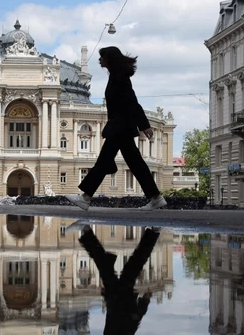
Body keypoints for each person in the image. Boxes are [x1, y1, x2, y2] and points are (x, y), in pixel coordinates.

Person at [65, 46, 167, 211]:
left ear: (109, 59)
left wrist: (145, 125)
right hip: (120, 126)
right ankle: (155, 197)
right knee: (134, 163)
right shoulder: (116, 76)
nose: (99, 60)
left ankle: (86, 196)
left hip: (121, 126)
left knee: (110, 161)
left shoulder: (120, 77)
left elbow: (132, 102)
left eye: (102, 57)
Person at [77, 224, 159, 335]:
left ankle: (154, 233)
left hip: (121, 299)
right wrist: (144, 302)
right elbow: (133, 320)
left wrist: (145, 301)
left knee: (135, 262)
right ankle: (87, 233)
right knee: (112, 266)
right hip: (118, 299)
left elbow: (135, 320)